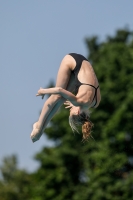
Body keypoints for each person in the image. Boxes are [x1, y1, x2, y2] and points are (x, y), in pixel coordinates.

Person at [30, 53, 101, 143]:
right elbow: (59, 90)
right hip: (71, 60)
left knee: (62, 99)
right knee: (56, 97)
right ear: (78, 111)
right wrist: (43, 91)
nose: (70, 110)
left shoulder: (95, 103)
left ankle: (41, 130)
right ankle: (39, 125)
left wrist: (75, 101)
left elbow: (86, 96)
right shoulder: (78, 101)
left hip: (83, 62)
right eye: (71, 112)